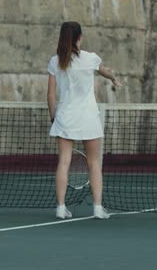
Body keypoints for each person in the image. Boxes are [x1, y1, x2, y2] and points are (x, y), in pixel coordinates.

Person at [47, 21, 122, 219]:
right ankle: (98, 209)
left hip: (65, 117)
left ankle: (61, 208)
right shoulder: (91, 58)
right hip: (88, 117)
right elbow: (105, 71)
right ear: (80, 37)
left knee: (63, 162)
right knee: (94, 163)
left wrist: (53, 116)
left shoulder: (55, 61)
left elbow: (50, 95)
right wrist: (113, 78)